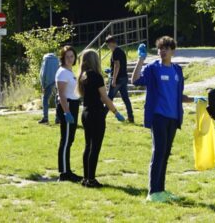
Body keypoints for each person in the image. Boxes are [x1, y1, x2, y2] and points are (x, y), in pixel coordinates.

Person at [132, 36, 195, 202]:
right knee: (158, 152)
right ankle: (152, 192)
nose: (163, 51)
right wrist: (140, 59)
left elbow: (177, 95)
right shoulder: (153, 68)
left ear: (172, 51)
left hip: (173, 118)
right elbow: (135, 80)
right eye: (160, 48)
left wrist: (194, 100)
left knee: (165, 154)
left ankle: (161, 190)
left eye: (166, 48)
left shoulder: (177, 70)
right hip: (158, 116)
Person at [77, 49, 125, 188]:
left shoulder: (83, 76)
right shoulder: (96, 76)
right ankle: (91, 180)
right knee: (95, 147)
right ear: (95, 60)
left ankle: (86, 178)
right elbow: (104, 97)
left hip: (85, 113)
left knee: (88, 146)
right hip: (96, 114)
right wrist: (115, 112)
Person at [56, 45, 82, 182]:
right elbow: (61, 94)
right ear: (63, 58)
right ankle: (64, 173)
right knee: (65, 140)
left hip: (74, 104)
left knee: (69, 139)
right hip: (67, 106)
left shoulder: (70, 71)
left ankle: (67, 170)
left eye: (72, 56)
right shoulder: (62, 72)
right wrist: (66, 112)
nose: (70, 59)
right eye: (67, 57)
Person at [106, 35, 134, 123]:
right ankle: (131, 117)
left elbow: (117, 66)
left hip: (118, 79)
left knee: (109, 98)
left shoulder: (115, 52)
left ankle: (101, 116)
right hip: (124, 77)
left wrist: (113, 80)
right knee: (125, 98)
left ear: (112, 43)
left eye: (108, 45)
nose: (108, 47)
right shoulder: (121, 51)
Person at [38, 52, 60, 124]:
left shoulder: (45, 60)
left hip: (48, 83)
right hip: (57, 81)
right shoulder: (57, 60)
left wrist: (43, 85)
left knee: (45, 99)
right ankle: (58, 118)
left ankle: (45, 118)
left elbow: (42, 73)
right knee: (57, 100)